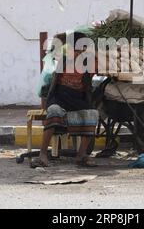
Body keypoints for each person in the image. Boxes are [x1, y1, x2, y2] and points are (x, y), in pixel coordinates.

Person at [33, 32, 98, 168]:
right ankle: (43, 154)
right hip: (60, 97)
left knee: (91, 114)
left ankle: (81, 155)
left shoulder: (91, 62)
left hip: (78, 98)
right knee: (54, 112)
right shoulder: (64, 61)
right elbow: (54, 82)